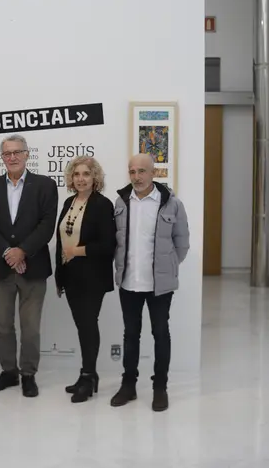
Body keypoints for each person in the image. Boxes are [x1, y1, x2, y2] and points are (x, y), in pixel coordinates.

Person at [0, 134, 58, 398]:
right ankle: (9, 372)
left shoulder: (45, 185)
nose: (11, 157)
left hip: (33, 268)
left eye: (16, 152)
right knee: (2, 325)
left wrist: (22, 251)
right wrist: (7, 252)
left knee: (31, 327)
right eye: (6, 153)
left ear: (27, 154)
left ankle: (28, 374)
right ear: (2, 157)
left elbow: (47, 225)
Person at [112, 153, 190, 412]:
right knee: (130, 334)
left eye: (142, 171)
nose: (137, 176)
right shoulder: (121, 202)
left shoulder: (171, 204)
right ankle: (129, 385)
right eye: (132, 171)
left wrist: (167, 268)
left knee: (160, 334)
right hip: (129, 283)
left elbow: (182, 243)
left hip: (160, 286)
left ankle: (160, 388)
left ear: (153, 173)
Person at [54, 156, 116, 403]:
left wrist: (77, 251)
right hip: (70, 275)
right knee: (83, 326)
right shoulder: (69, 201)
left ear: (95, 178)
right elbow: (60, 240)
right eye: (76, 174)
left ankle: (88, 376)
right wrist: (60, 274)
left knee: (88, 324)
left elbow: (108, 244)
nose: (81, 179)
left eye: (86, 174)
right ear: (71, 178)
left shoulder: (102, 204)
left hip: (92, 275)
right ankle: (87, 375)